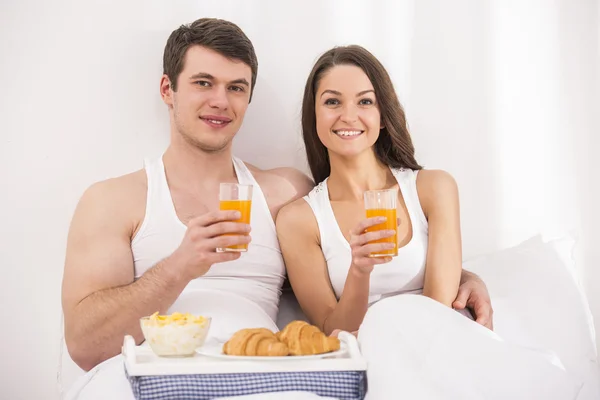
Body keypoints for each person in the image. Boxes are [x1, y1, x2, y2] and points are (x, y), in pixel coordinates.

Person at [61, 18, 493, 400]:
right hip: (148, 375)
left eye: (236, 88)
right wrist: (180, 266)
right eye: (203, 83)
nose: (220, 101)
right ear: (167, 90)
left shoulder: (284, 194)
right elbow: (84, 344)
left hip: (263, 376)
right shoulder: (113, 200)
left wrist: (461, 275)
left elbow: (338, 276)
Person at [276, 45, 582, 399]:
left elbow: (440, 309)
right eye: (332, 102)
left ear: (383, 114)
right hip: (374, 359)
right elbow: (333, 332)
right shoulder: (300, 219)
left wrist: (467, 277)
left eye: (365, 102)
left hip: (441, 348)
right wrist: (360, 271)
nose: (348, 115)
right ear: (312, 114)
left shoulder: (432, 188)